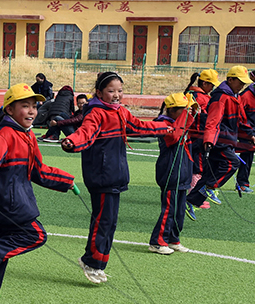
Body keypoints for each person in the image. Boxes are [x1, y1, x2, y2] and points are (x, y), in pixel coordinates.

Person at [0, 83, 75, 304]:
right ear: (10, 110)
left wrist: (65, 181)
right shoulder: (6, 134)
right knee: (35, 235)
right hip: (9, 204)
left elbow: (38, 171)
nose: (32, 111)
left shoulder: (27, 135)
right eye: (25, 106)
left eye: (34, 106)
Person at [61, 72, 172, 284]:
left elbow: (139, 126)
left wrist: (165, 127)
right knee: (103, 221)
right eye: (111, 91)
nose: (116, 95)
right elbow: (85, 133)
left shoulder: (120, 111)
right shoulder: (96, 113)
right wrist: (72, 142)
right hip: (102, 176)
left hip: (115, 175)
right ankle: (92, 262)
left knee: (109, 222)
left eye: (120, 91)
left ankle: (97, 263)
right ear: (99, 92)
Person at [186, 66, 253, 213]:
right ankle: (210, 187)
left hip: (226, 139)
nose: (242, 85)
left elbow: (240, 119)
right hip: (218, 140)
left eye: (244, 83)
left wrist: (250, 135)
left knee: (210, 172)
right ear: (231, 80)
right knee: (232, 163)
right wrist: (209, 140)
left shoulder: (234, 96)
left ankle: (190, 201)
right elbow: (213, 121)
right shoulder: (221, 97)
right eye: (240, 82)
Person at [149, 93, 198, 255]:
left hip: (183, 173)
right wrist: (186, 117)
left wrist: (193, 113)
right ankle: (157, 242)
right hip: (170, 173)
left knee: (179, 211)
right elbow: (174, 137)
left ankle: (173, 239)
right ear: (171, 110)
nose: (186, 113)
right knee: (169, 210)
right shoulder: (163, 124)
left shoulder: (182, 123)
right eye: (183, 110)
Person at [184, 69, 220, 211]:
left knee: (193, 166)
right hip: (198, 137)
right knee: (199, 167)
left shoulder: (190, 94)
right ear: (204, 83)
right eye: (211, 85)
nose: (213, 88)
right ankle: (194, 196)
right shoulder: (202, 98)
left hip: (189, 136)